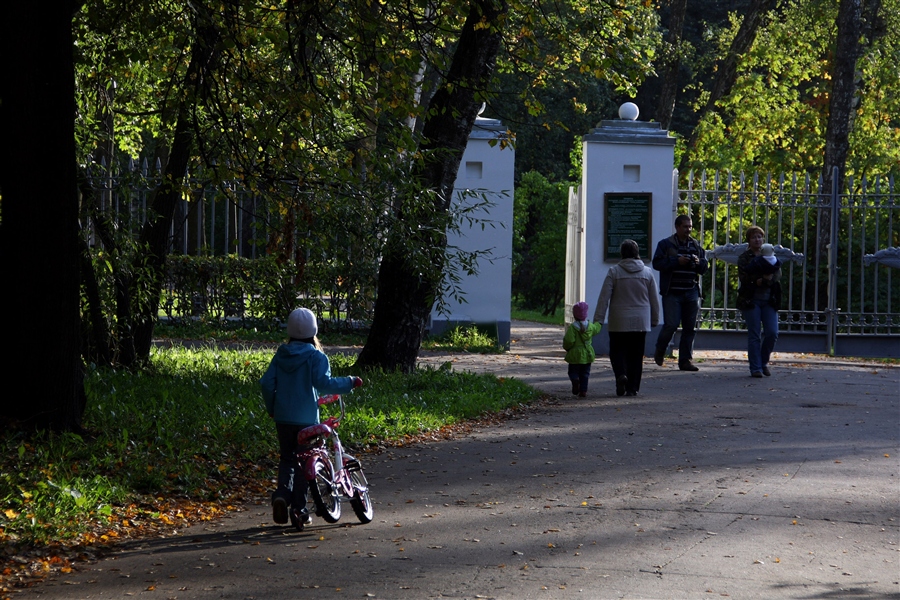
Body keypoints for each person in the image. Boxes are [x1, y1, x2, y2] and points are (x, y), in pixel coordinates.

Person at [260, 307, 363, 527]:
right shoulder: (317, 357)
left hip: (283, 418)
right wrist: (349, 382)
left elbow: (266, 383)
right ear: (314, 331)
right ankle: (299, 509)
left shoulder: (281, 355)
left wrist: (272, 408)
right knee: (303, 462)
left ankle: (281, 495)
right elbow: (323, 384)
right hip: (306, 419)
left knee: (287, 459)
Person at [594, 239, 659, 397]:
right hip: (640, 321)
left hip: (619, 320)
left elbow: (604, 297)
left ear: (622, 254)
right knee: (636, 355)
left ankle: (621, 374)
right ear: (638, 253)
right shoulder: (647, 272)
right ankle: (633, 388)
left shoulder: (614, 272)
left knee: (617, 351)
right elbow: (654, 299)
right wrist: (655, 319)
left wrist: (598, 319)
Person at [652, 214, 708, 371]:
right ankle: (660, 349)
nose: (688, 230)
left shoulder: (695, 245)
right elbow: (657, 263)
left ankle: (685, 360)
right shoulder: (665, 244)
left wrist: (698, 262)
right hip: (672, 292)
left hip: (691, 291)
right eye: (685, 226)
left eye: (690, 226)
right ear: (677, 227)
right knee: (671, 324)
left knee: (690, 327)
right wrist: (676, 261)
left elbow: (704, 267)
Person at [737, 227, 781, 378]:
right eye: (754, 237)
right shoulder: (744, 257)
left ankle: (763, 362)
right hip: (751, 300)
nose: (757, 240)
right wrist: (758, 280)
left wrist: (769, 280)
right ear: (749, 240)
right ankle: (755, 368)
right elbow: (743, 277)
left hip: (769, 300)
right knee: (754, 334)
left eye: (760, 237)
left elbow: (777, 273)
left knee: (772, 333)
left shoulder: (770, 255)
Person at [563, 301, 602, 398]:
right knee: (585, 373)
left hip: (575, 354)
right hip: (587, 353)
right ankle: (583, 391)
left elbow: (569, 340)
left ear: (574, 315)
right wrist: (599, 322)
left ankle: (575, 379)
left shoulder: (573, 327)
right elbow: (597, 328)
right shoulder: (591, 327)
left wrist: (567, 348)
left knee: (572, 371)